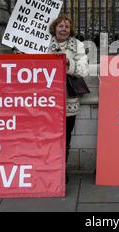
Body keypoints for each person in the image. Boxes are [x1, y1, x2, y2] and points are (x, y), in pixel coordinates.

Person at [48, 16, 89, 182]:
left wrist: (66, 63)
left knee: (66, 134)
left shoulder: (77, 45)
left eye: (66, 26)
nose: (63, 29)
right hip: (48, 97)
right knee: (49, 134)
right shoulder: (43, 43)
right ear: (55, 28)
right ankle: (49, 166)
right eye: (60, 26)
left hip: (68, 98)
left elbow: (83, 69)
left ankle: (61, 168)